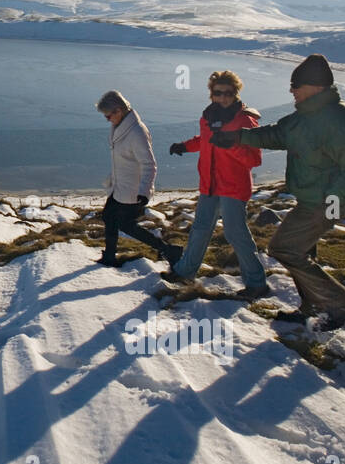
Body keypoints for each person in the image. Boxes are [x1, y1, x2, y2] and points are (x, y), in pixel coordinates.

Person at [210, 54, 345, 331]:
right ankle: (313, 306)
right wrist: (238, 136)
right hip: (311, 199)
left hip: (323, 203)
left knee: (284, 247)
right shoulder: (306, 117)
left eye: (296, 85)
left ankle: (342, 306)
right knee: (302, 253)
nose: (291, 90)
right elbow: (276, 134)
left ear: (316, 86)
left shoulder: (343, 122)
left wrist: (333, 201)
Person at [162, 70, 268, 298]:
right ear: (212, 94)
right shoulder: (208, 117)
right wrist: (184, 146)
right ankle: (184, 272)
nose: (223, 97)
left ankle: (257, 283)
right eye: (218, 93)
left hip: (233, 187)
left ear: (235, 93)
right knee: (200, 229)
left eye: (228, 93)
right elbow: (204, 141)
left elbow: (255, 159)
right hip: (209, 185)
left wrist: (231, 145)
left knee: (235, 233)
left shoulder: (245, 120)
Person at [95, 90, 182, 269]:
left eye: (108, 115)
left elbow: (149, 165)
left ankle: (167, 249)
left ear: (119, 110)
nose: (107, 119)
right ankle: (110, 256)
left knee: (124, 224)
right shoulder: (119, 126)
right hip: (120, 187)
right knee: (110, 217)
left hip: (133, 191)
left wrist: (144, 191)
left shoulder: (137, 133)